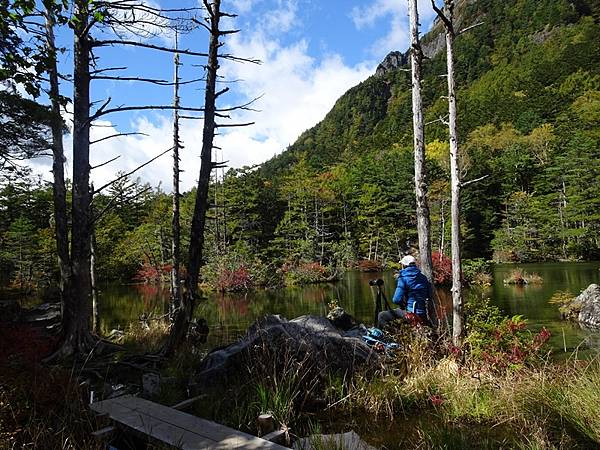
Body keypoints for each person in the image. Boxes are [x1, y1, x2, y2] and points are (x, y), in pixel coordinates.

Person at [377, 255, 436, 329]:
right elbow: (429, 295)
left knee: (382, 315)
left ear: (404, 266)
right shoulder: (424, 278)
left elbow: (396, 300)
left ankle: (387, 337)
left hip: (410, 313)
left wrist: (403, 303)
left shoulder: (403, 278)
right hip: (422, 313)